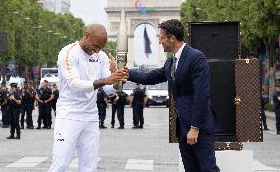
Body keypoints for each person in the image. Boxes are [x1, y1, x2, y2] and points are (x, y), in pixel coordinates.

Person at [127, 19, 220, 172]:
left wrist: (195, 127)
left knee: (208, 169)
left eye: (161, 38)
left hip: (199, 127)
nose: (159, 42)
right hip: (183, 127)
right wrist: (126, 73)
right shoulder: (171, 62)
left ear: (172, 38)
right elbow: (149, 77)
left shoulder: (196, 58)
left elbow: (201, 96)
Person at [49, 24, 128, 172]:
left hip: (90, 116)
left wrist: (118, 80)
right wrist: (106, 80)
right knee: (60, 164)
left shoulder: (101, 56)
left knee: (89, 166)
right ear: (86, 35)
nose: (97, 50)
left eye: (101, 47)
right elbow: (75, 84)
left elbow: (108, 90)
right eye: (96, 45)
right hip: (68, 116)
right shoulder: (68, 53)